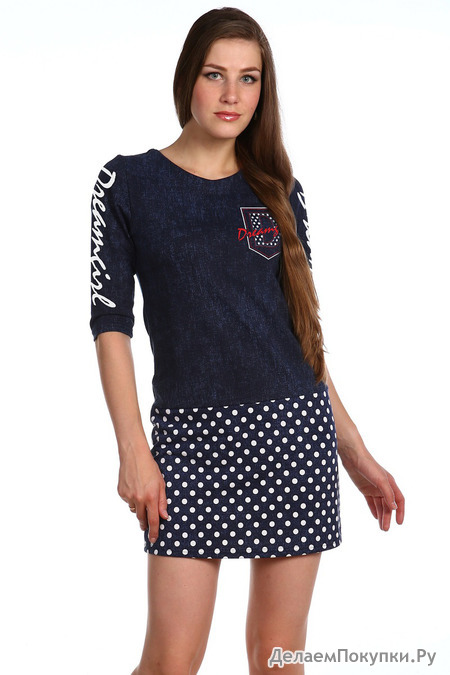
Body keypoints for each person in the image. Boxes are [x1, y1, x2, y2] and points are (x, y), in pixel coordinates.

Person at [89, 7, 405, 674]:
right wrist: (133, 451)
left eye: (249, 78)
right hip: (188, 443)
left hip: (291, 436)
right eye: (215, 74)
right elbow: (110, 322)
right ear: (188, 79)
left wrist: (354, 451)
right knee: (171, 660)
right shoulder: (127, 184)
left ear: (264, 89)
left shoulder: (280, 191)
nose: (232, 94)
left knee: (277, 658)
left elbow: (302, 339)